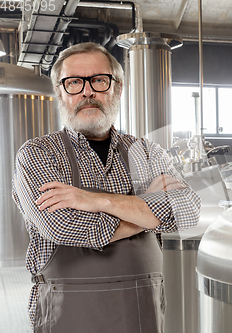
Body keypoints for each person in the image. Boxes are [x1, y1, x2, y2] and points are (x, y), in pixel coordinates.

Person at [12, 42, 201, 333]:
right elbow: (62, 226)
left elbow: (186, 211)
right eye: (74, 82)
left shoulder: (147, 151)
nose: (87, 91)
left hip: (144, 312)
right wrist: (147, 206)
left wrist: (98, 201)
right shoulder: (38, 153)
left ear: (118, 88)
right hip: (70, 316)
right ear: (60, 93)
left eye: (99, 80)